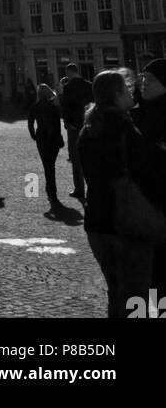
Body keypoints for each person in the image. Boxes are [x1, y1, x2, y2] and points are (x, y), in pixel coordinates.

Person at [78, 68, 166, 319]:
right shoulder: (122, 125)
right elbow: (148, 167)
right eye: (127, 89)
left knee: (116, 293)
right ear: (117, 94)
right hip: (126, 221)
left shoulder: (89, 126)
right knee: (135, 297)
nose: (133, 92)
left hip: (97, 220)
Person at [132, 58, 166, 302]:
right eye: (142, 77)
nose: (144, 82)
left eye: (151, 78)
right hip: (141, 205)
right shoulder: (135, 114)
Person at [59, 63, 93, 201]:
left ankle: (79, 189)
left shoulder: (68, 87)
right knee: (89, 156)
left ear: (68, 72)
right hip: (87, 123)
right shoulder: (89, 85)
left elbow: (65, 107)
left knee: (76, 158)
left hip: (74, 125)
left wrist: (67, 123)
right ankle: (92, 186)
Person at [27, 83, 64, 205]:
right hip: (53, 139)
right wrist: (59, 138)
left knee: (47, 166)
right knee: (51, 165)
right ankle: (52, 192)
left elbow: (30, 122)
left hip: (41, 138)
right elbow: (57, 124)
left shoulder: (35, 106)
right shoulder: (53, 107)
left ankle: (51, 192)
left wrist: (33, 135)